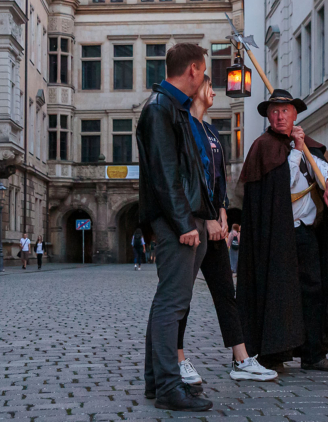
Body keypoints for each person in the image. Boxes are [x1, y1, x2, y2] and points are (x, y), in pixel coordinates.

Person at [172, 75, 277, 386]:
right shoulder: (182, 128)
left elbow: (217, 179)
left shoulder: (212, 131)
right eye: (208, 86)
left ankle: (241, 359)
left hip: (214, 222)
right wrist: (204, 219)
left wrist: (221, 212)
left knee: (225, 293)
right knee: (182, 295)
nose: (213, 91)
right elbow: (185, 180)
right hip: (193, 224)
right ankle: (177, 358)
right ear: (195, 91)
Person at [238, 89, 328, 373]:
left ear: (295, 114)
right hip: (277, 237)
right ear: (268, 117)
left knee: (313, 293)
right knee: (278, 294)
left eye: (285, 111)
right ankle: (274, 354)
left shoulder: (306, 144)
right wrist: (296, 152)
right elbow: (285, 182)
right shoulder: (263, 147)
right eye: (274, 112)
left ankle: (312, 354)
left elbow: (322, 167)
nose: (279, 116)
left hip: (307, 234)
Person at [137, 42, 216, 413]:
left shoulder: (176, 109)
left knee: (167, 303)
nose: (203, 78)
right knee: (172, 304)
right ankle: (169, 386)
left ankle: (158, 381)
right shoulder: (160, 109)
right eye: (204, 71)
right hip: (177, 222)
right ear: (194, 70)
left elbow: (189, 171)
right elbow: (165, 174)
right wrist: (185, 223)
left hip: (188, 219)